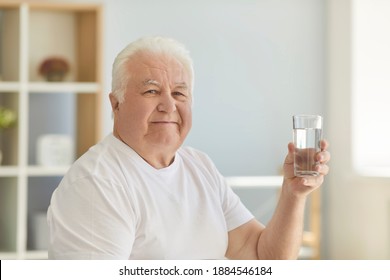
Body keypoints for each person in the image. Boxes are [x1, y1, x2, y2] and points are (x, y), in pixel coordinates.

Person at [47, 36, 330, 260]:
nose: (169, 105)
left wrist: (293, 194)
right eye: (151, 91)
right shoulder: (97, 183)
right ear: (115, 103)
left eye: (179, 93)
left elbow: (263, 257)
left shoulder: (199, 166)